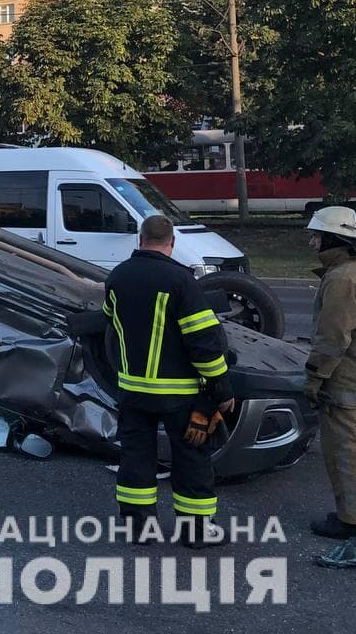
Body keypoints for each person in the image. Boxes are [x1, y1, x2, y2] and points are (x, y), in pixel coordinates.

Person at [104, 214, 235, 547]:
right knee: (191, 457)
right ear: (172, 242)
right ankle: (195, 532)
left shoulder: (117, 277)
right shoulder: (181, 280)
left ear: (140, 239)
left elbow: (110, 324)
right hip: (181, 393)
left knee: (135, 457)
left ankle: (138, 529)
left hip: (133, 391)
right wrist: (221, 386)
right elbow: (203, 341)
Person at [303, 206, 356, 540]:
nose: (311, 243)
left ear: (332, 239)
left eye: (316, 236)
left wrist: (314, 378)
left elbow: (333, 337)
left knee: (344, 452)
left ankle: (350, 521)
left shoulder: (341, 278)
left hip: (345, 382)